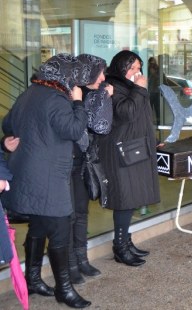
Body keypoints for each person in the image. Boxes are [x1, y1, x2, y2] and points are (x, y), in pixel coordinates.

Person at [2, 54, 91, 308]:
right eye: (73, 75)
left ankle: (32, 279)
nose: (76, 80)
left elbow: (8, 124)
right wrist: (78, 103)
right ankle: (64, 289)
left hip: (28, 175)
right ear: (63, 76)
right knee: (61, 230)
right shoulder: (58, 99)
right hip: (49, 179)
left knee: (39, 227)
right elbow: (75, 130)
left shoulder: (30, 92)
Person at [97, 50, 160, 266]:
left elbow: (143, 115)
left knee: (131, 198)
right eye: (132, 68)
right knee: (124, 200)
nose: (138, 72)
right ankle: (120, 247)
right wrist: (140, 88)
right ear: (121, 67)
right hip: (119, 152)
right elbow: (126, 113)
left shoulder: (130, 86)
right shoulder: (112, 86)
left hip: (136, 147)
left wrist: (154, 139)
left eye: (139, 67)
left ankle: (126, 241)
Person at [67, 54, 114, 285]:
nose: (103, 77)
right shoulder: (70, 93)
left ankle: (81, 258)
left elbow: (101, 127)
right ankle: (70, 264)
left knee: (82, 212)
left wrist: (103, 96)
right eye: (99, 73)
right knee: (70, 215)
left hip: (84, 162)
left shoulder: (96, 93)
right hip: (66, 163)